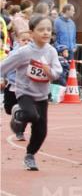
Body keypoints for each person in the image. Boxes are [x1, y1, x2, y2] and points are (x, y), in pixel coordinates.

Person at [0, 14, 62, 170]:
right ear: (32, 32)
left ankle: (30, 155)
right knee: (31, 115)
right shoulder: (24, 52)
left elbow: (57, 73)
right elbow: (4, 66)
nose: (46, 33)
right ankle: (17, 114)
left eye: (48, 29)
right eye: (41, 30)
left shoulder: (51, 52)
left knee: (41, 131)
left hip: (42, 95)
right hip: (24, 92)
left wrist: (48, 71)